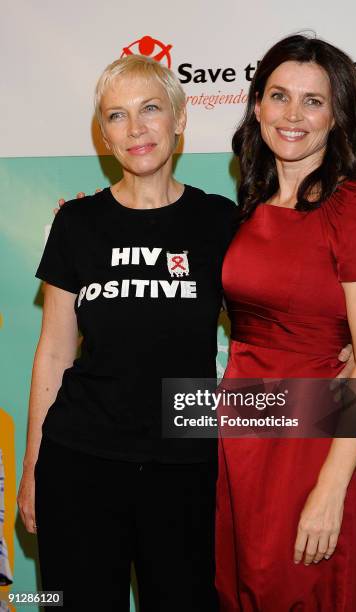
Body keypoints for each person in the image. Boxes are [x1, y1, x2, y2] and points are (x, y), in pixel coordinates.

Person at [17, 54, 237, 612]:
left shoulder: (219, 221)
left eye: (150, 109)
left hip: (185, 467)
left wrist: (336, 343)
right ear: (104, 135)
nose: (135, 128)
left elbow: (265, 324)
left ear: (180, 119)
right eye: (117, 116)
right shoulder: (78, 223)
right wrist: (32, 469)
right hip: (79, 461)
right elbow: (54, 353)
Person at [216, 35, 356, 611]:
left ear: (338, 114)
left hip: (313, 442)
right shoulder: (248, 208)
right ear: (256, 107)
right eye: (279, 96)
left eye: (313, 101)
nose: (293, 115)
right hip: (241, 432)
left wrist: (329, 487)